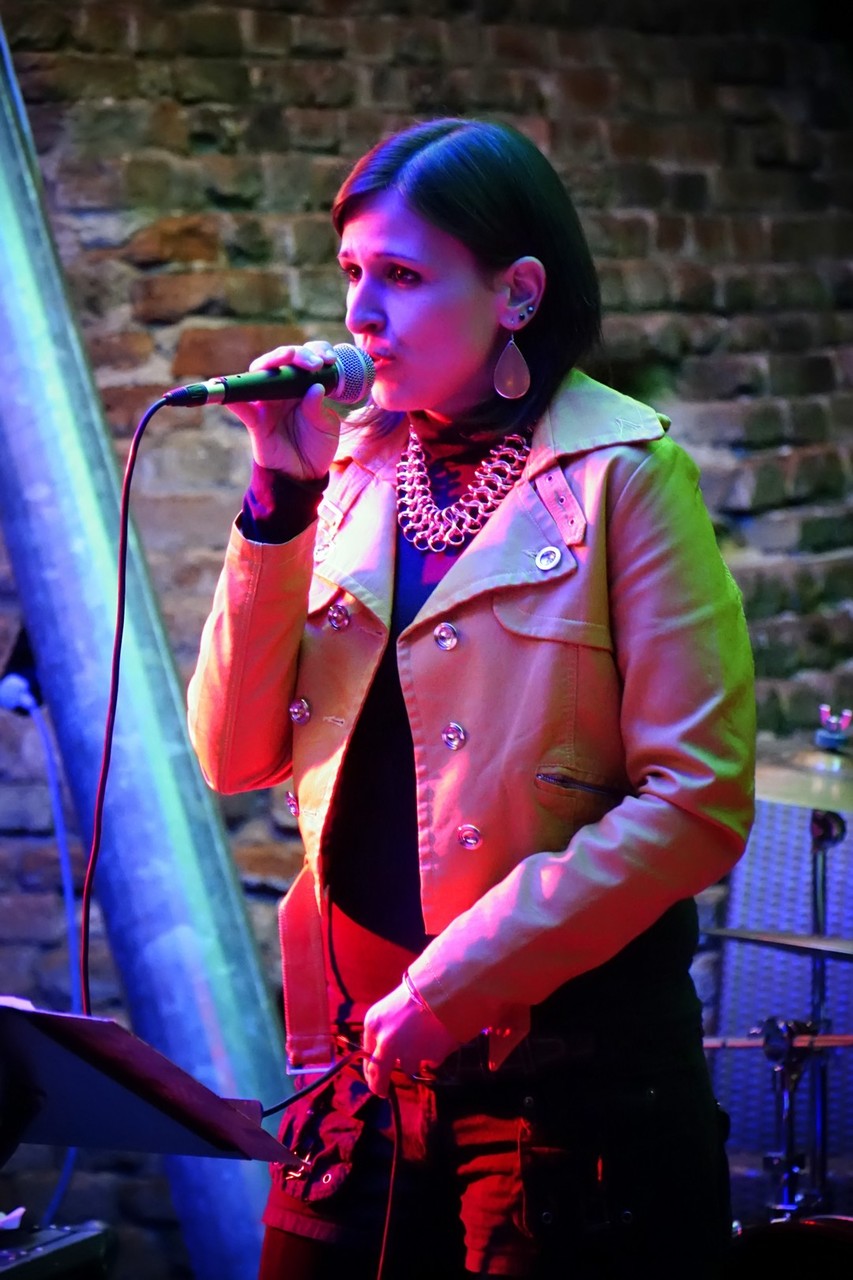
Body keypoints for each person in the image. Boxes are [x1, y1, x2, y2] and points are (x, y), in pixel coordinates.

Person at [187, 117, 755, 1280]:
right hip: (357, 1070)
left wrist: (457, 982)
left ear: (517, 293)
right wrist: (279, 499)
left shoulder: (626, 477)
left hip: (567, 1088)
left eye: (400, 275)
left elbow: (697, 801)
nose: (359, 313)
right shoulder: (346, 470)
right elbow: (233, 756)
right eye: (351, 272)